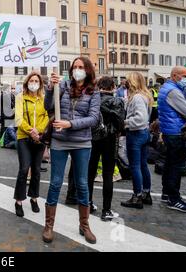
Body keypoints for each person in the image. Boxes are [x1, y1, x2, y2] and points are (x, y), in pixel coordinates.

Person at [43, 57, 100, 244]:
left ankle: (84, 226)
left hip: (82, 142)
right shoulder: (64, 86)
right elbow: (48, 107)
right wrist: (51, 89)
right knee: (55, 183)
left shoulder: (94, 91)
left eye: (81, 67)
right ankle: (49, 225)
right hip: (60, 140)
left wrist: (70, 123)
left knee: (82, 184)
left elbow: (93, 119)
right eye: (75, 67)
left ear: (88, 70)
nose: (77, 69)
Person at [88, 76, 125, 221]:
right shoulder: (117, 101)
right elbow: (120, 123)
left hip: (93, 138)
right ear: (113, 87)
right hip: (110, 140)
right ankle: (106, 210)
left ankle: (88, 203)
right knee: (108, 175)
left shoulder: (93, 100)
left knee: (90, 173)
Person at [158, 66, 186, 212]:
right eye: (184, 76)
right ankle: (174, 199)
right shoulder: (173, 91)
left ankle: (166, 193)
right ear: (174, 75)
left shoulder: (166, 87)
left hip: (169, 131)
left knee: (169, 164)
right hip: (176, 132)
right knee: (176, 166)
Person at [13, 72, 49, 217]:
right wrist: (31, 131)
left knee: (36, 170)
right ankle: (19, 201)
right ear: (27, 82)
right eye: (31, 80)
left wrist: (39, 131)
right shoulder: (20, 97)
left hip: (39, 138)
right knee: (23, 169)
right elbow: (18, 119)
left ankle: (34, 198)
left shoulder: (44, 98)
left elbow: (47, 117)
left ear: (40, 84)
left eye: (36, 81)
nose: (34, 83)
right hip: (24, 137)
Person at [120, 72, 153, 209]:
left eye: (127, 80)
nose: (125, 82)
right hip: (144, 133)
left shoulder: (138, 98)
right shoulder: (144, 96)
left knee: (135, 166)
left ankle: (137, 196)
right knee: (143, 165)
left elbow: (140, 118)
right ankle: (145, 193)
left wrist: (125, 123)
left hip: (136, 133)